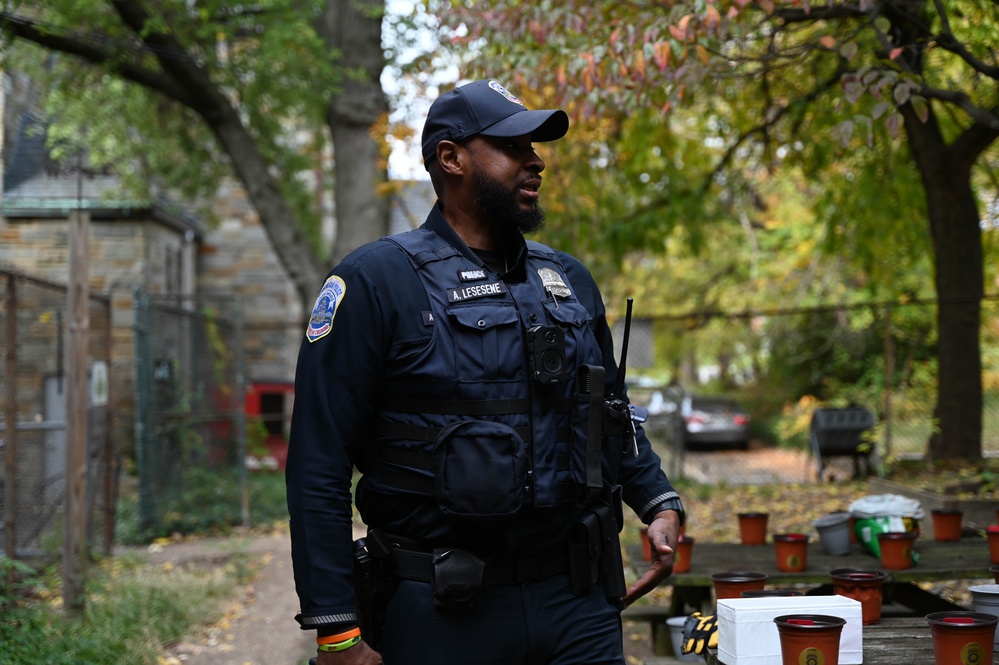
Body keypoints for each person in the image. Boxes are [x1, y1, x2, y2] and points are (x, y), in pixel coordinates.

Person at [286, 79, 685, 665]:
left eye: (536, 147)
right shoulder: (376, 281)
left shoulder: (568, 281)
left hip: (578, 606)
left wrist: (657, 500)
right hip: (443, 610)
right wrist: (336, 629)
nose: (536, 161)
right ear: (451, 158)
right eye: (513, 146)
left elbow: (609, 412)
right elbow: (317, 465)